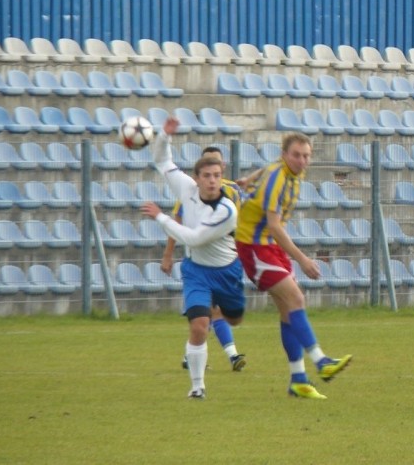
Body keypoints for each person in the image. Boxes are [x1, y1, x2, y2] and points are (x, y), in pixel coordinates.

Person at [235, 132, 352, 399]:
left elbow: (267, 167)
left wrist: (249, 178)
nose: (302, 160)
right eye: (297, 155)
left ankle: (298, 380)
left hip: (268, 245)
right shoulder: (278, 178)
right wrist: (303, 259)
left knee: (289, 310)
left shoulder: (288, 170)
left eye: (306, 155)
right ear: (285, 155)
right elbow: (275, 226)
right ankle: (321, 362)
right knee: (296, 298)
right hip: (254, 246)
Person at [141, 117, 246, 399]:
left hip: (227, 271)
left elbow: (195, 237)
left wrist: (160, 217)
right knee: (199, 325)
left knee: (234, 319)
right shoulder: (186, 189)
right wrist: (163, 135)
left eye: (216, 175)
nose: (212, 181)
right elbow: (163, 162)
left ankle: (225, 329)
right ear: (196, 178)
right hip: (196, 271)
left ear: (221, 175)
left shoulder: (227, 210)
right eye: (206, 176)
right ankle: (197, 386)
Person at [163, 145, 252, 373]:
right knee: (208, 311)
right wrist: (168, 254)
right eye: (206, 169)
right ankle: (231, 355)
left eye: (217, 168)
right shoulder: (191, 192)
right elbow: (179, 220)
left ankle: (192, 354)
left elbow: (243, 225)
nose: (211, 177)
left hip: (227, 262)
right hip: (200, 263)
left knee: (214, 313)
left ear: (222, 168)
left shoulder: (232, 193)